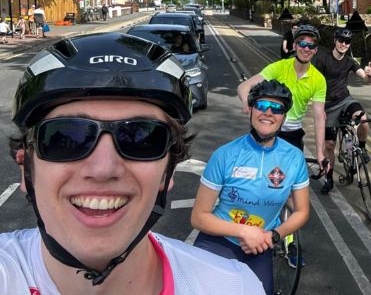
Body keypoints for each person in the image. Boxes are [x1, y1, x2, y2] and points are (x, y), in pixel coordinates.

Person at [2, 32, 264, 294]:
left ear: (167, 173)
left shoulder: (234, 286)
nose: (104, 169)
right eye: (66, 137)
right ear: (26, 169)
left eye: (141, 138)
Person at [191, 80, 310, 295]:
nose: (269, 113)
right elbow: (199, 217)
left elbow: (301, 211)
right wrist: (244, 231)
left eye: (277, 109)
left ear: (284, 116)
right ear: (251, 109)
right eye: (262, 106)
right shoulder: (225, 155)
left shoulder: (294, 158)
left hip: (262, 243)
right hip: (221, 238)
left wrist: (274, 235)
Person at [237, 24, 328, 171]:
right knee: (258, 174)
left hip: (292, 133)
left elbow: (319, 117)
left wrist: (320, 154)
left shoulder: (319, 79)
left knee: (291, 181)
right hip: (267, 128)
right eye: (302, 44)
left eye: (311, 46)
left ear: (315, 50)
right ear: (294, 45)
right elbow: (243, 87)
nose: (306, 49)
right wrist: (246, 103)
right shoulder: (279, 67)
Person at [312, 28, 371, 194]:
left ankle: (362, 147)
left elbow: (364, 79)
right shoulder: (322, 58)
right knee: (330, 146)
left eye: (347, 42)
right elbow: (311, 80)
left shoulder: (350, 61)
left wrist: (369, 76)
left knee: (363, 119)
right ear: (335, 40)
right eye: (341, 40)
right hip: (327, 106)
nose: (343, 44)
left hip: (345, 100)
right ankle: (329, 178)